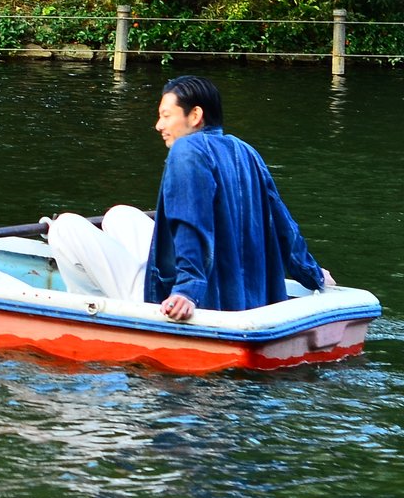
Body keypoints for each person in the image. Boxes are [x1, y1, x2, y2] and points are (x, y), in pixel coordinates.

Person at [47, 76, 334, 318]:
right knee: (119, 215)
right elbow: (284, 225)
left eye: (166, 116)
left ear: (195, 116)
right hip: (248, 296)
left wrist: (187, 290)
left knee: (64, 228)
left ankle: (106, 320)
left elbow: (190, 224)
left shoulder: (186, 151)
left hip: (193, 303)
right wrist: (314, 274)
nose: (159, 126)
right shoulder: (245, 151)